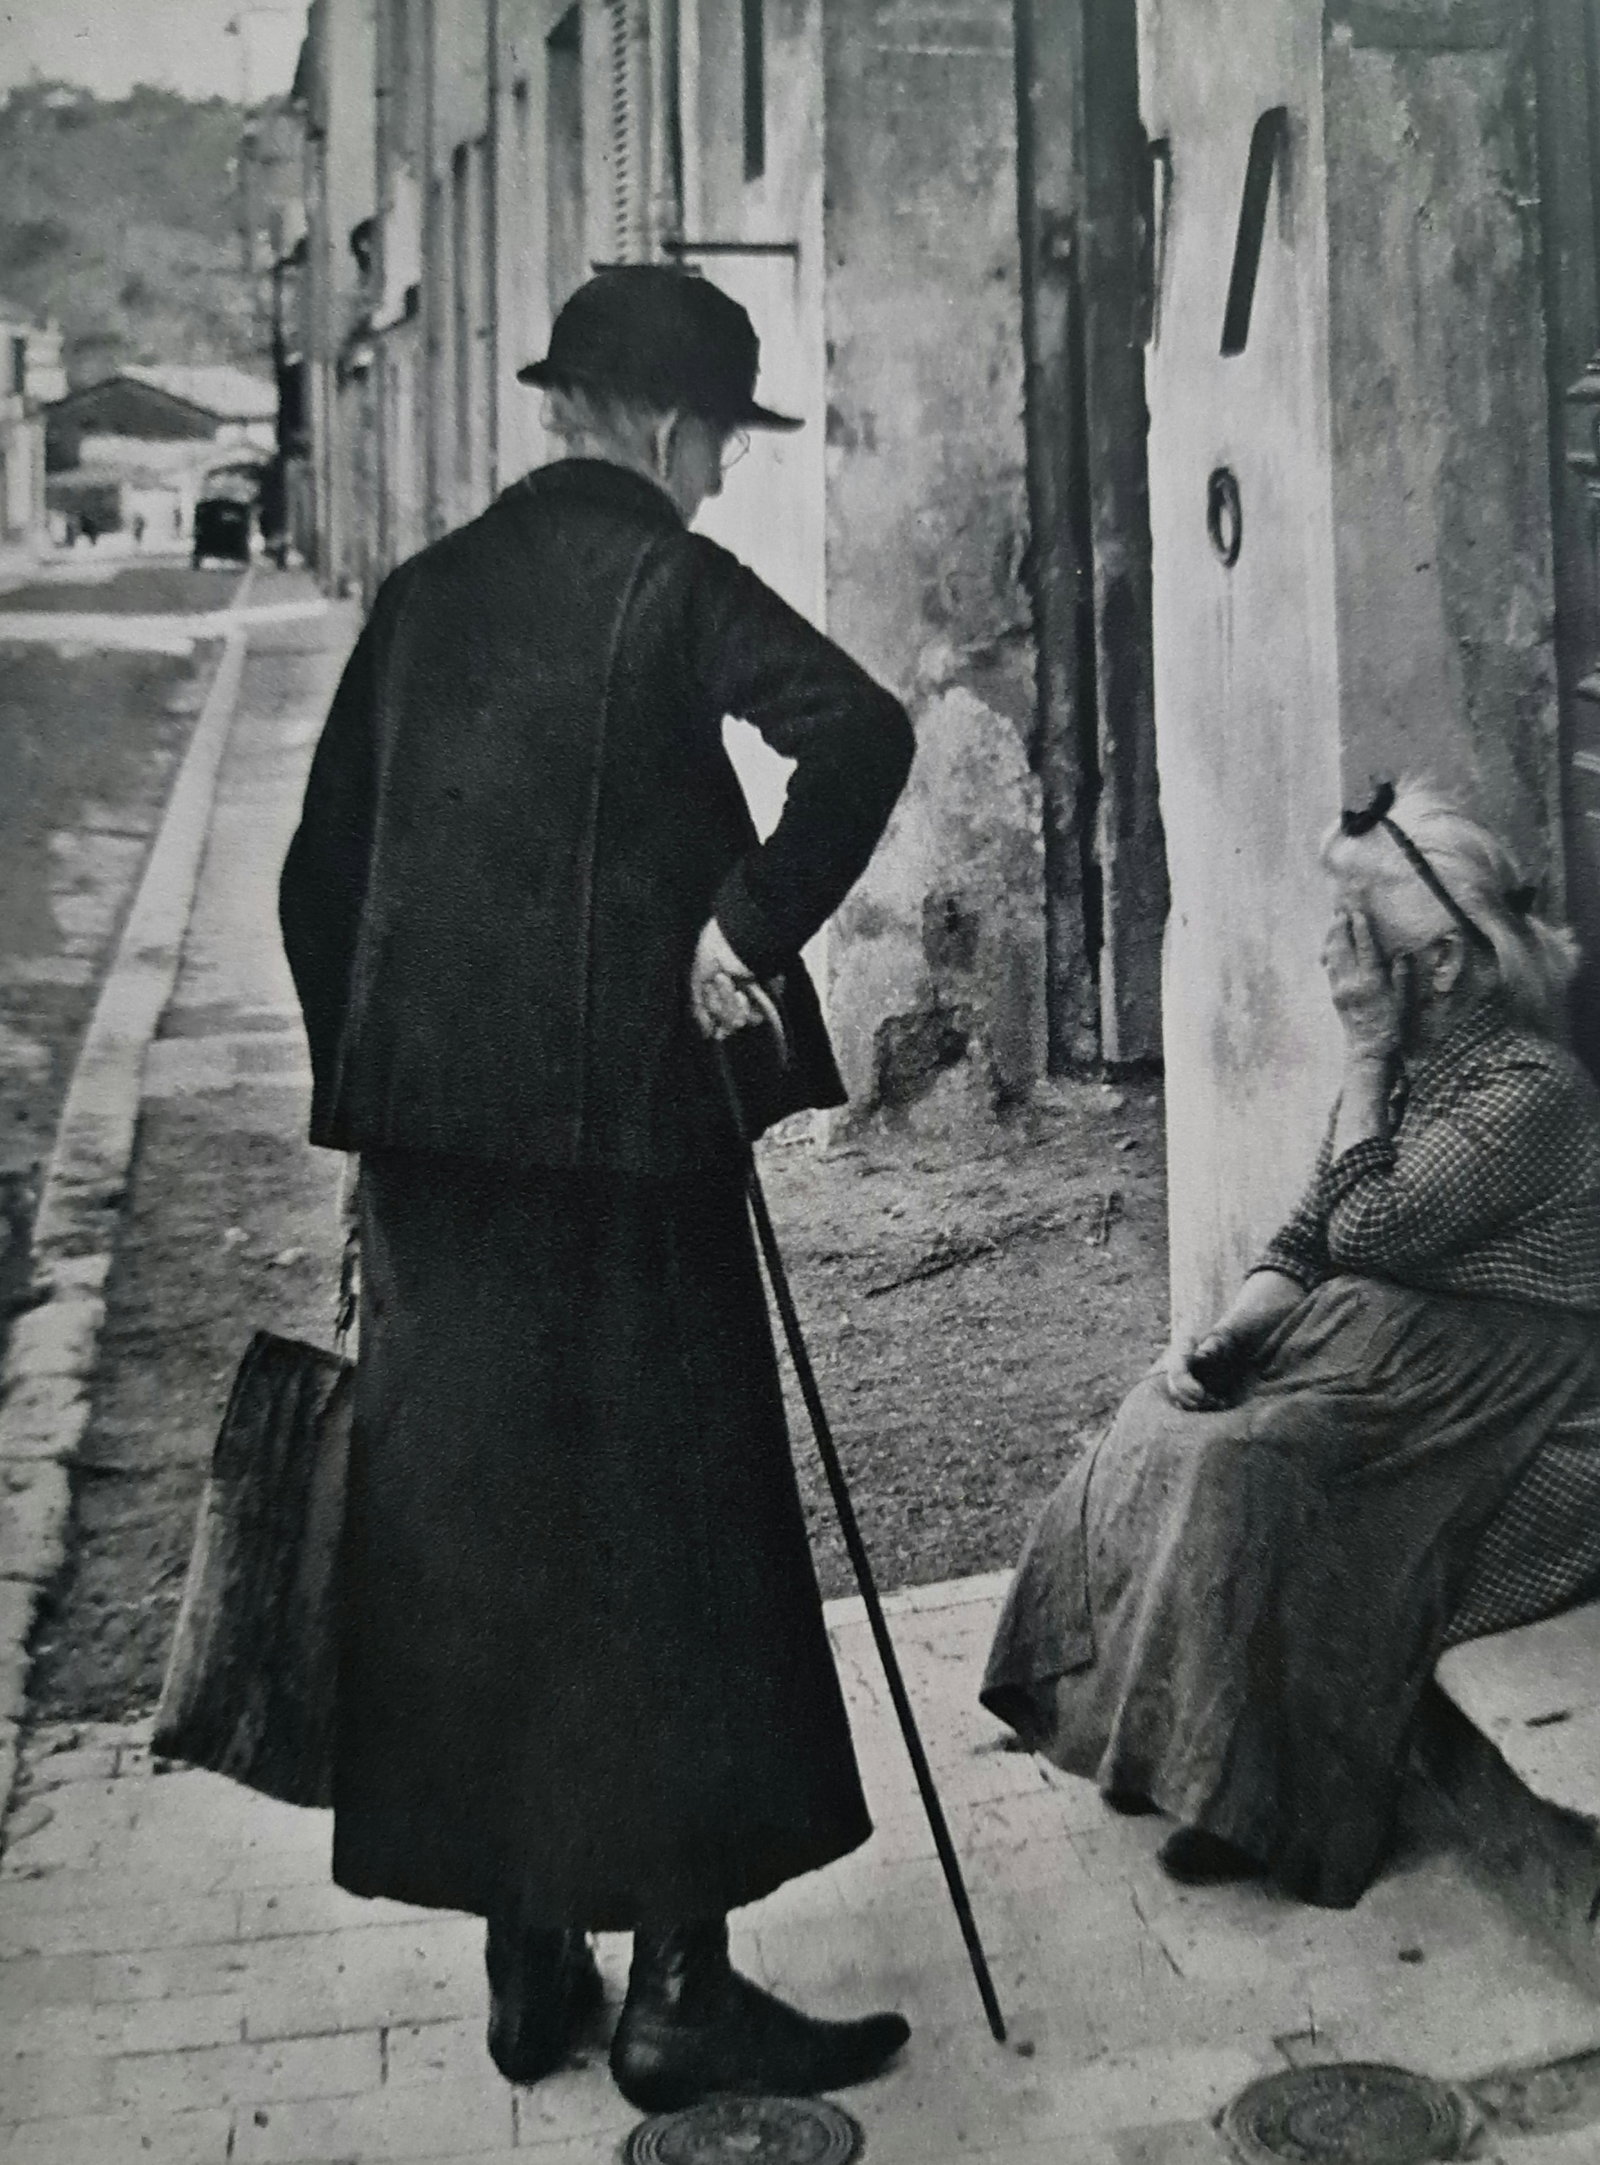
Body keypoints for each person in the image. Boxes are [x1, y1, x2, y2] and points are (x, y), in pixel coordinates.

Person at [278, 266, 915, 2109]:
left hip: (440, 1172)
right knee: (672, 1546)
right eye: (716, 439)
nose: (716, 477)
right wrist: (745, 923)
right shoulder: (670, 581)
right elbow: (857, 732)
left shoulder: (420, 600)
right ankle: (677, 1995)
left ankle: (530, 1965)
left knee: (475, 1549)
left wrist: (385, 1092)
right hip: (634, 1165)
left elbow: (322, 889)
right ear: (660, 426)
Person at [981, 780, 1600, 1909]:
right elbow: (1316, 1230)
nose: (1337, 965)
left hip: (1509, 1392)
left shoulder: (1532, 1092)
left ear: (1445, 965)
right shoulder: (1412, 1079)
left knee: (1256, 1471)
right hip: (1396, 1358)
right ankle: (1159, 1744)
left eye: (1360, 940)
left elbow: (1376, 1223)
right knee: (1164, 1417)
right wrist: (1229, 1332)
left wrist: (1364, 1056)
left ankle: (1263, 1803)